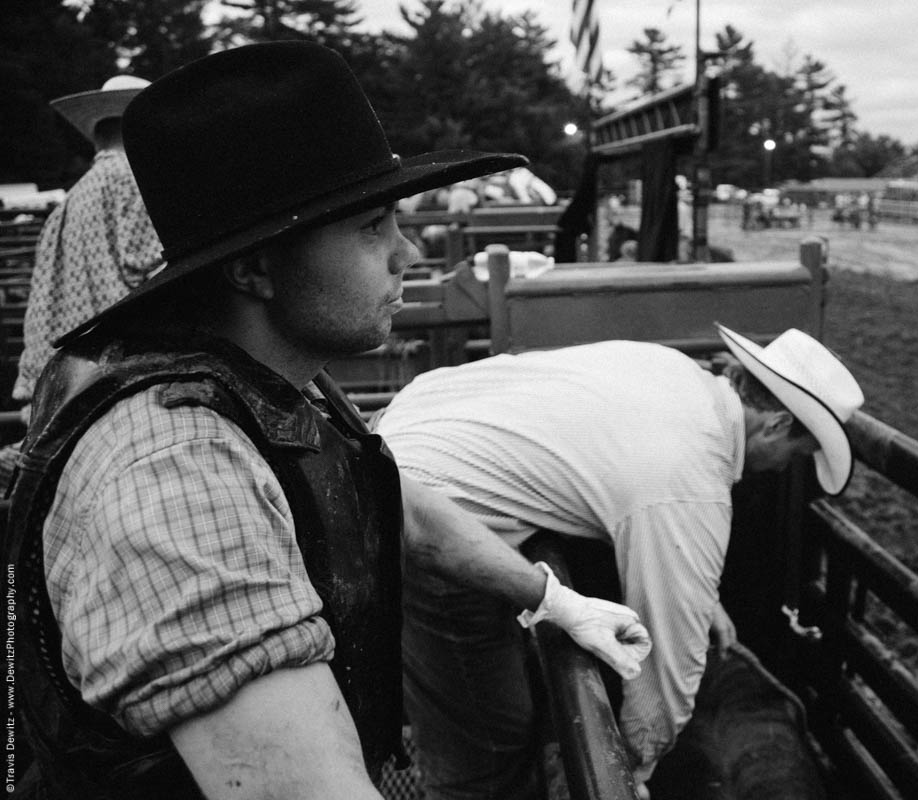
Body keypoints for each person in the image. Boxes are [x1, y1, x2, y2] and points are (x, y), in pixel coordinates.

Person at [6, 42, 649, 799]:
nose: (407, 253)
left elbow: (389, 504)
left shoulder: (278, 382)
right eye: (372, 225)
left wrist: (551, 599)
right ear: (253, 269)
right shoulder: (177, 471)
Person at [374, 323, 865, 799]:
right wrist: (628, 774)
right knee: (488, 749)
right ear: (777, 425)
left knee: (495, 710)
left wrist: (696, 591)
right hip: (428, 510)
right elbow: (665, 688)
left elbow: (626, 474)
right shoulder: (693, 482)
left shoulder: (676, 373)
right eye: (800, 452)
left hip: (399, 436)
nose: (786, 467)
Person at [12, 75, 162, 407]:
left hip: (65, 386)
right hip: (125, 380)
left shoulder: (67, 204)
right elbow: (159, 272)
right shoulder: (137, 180)